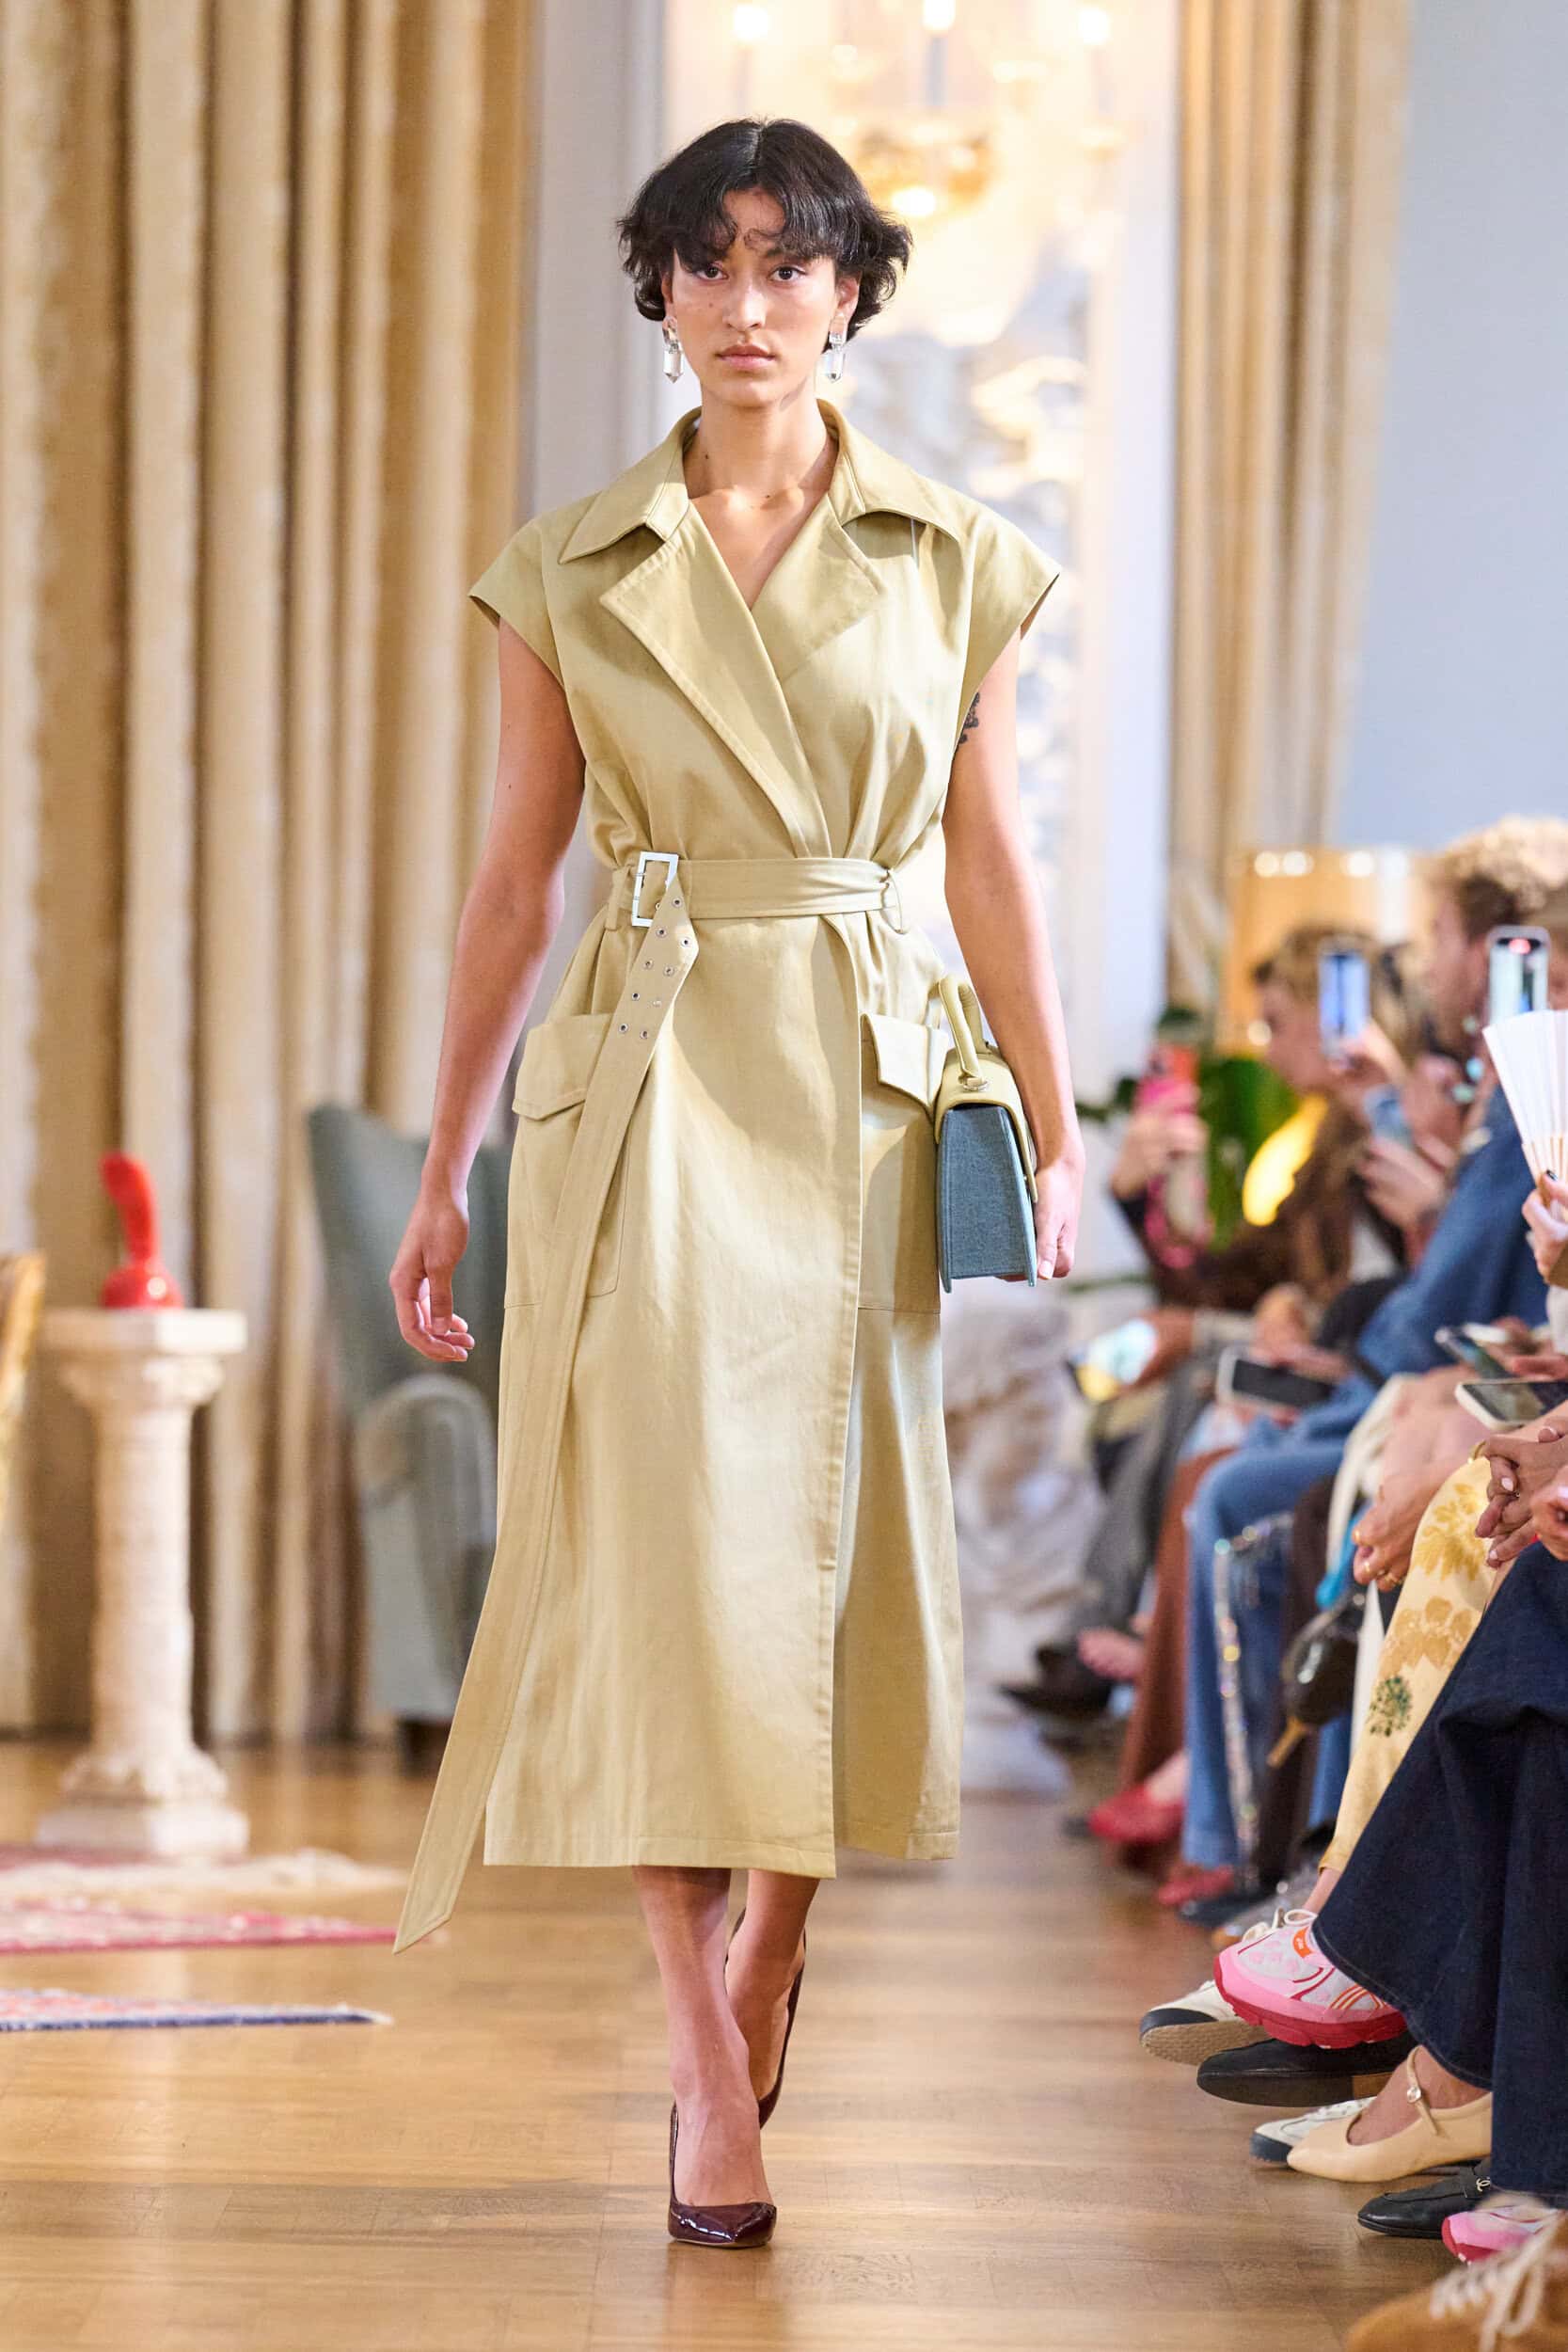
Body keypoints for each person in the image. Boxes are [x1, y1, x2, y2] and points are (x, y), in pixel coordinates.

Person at [381, 117, 1084, 2249]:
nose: (752, 302)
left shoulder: (957, 555)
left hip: (859, 1077)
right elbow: (516, 883)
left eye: (793, 263)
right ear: (663, 295)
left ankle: (777, 1934)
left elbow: (988, 866)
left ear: (853, 294)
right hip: (648, 1075)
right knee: (661, 1565)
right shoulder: (569, 563)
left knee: (830, 1552)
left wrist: (1054, 1130)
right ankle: (703, 2055)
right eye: (712, 262)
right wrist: (446, 1164)